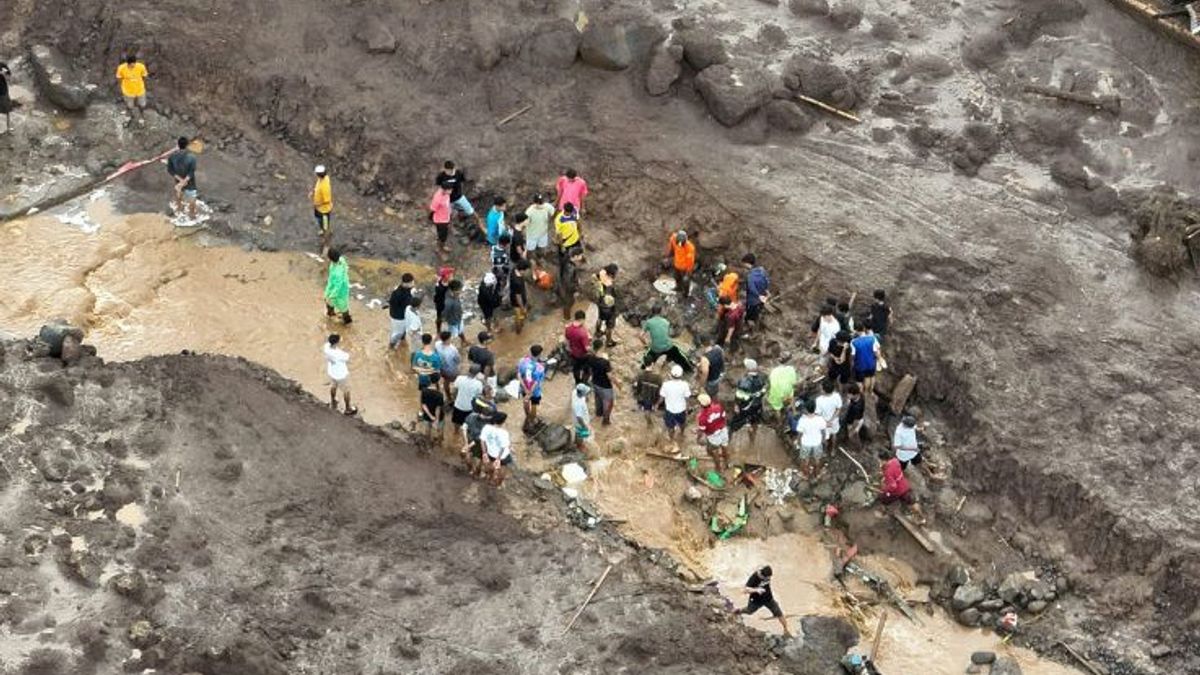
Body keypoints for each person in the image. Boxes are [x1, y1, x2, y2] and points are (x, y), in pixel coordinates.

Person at [736, 565, 791, 637]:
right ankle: (737, 612)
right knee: (749, 611)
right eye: (767, 578)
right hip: (756, 600)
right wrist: (756, 590)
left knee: (779, 613)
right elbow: (745, 590)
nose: (768, 579)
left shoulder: (767, 574)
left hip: (768, 599)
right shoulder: (755, 577)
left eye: (769, 577)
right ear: (762, 575)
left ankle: (786, 630)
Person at [640, 306, 693, 373]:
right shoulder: (666, 322)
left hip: (655, 348)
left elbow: (640, 335)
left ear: (652, 312)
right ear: (660, 312)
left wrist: (646, 344)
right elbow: (668, 335)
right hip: (668, 347)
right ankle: (689, 370)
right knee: (680, 356)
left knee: (647, 359)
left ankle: (643, 370)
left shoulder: (649, 322)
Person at [879, 451, 923, 522]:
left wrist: (885, 490)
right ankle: (921, 518)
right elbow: (896, 471)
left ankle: (883, 514)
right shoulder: (895, 461)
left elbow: (893, 486)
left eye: (880, 460)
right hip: (904, 485)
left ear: (883, 460)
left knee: (883, 499)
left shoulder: (888, 472)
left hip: (897, 491)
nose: (879, 462)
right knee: (912, 502)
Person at [730, 359, 767, 444]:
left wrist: (736, 405)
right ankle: (752, 441)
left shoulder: (744, 381)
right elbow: (763, 391)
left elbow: (739, 396)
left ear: (748, 369)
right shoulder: (761, 378)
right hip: (757, 405)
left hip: (745, 407)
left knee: (733, 426)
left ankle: (727, 443)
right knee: (754, 423)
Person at [436, 161, 479, 228]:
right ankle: (451, 228)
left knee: (470, 210)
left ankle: (479, 223)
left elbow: (464, 181)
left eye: (452, 170)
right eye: (449, 171)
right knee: (448, 216)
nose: (451, 172)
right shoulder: (441, 176)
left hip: (459, 197)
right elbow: (439, 186)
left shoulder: (458, 173)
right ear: (445, 169)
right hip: (448, 200)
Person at [323, 334, 357, 415]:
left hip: (332, 372)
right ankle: (348, 408)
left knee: (333, 386)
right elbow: (348, 358)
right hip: (341, 375)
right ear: (336, 343)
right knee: (346, 391)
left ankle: (333, 400)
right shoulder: (340, 354)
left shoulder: (326, 347)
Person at [696, 393, 730, 472]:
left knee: (715, 452)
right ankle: (727, 463)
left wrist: (698, 438)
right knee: (725, 447)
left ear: (701, 404)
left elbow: (702, 430)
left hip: (713, 436)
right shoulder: (719, 407)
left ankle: (718, 468)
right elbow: (724, 418)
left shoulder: (702, 417)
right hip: (723, 430)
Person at [792, 400, 827, 478]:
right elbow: (823, 431)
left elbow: (799, 434)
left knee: (805, 459)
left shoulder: (802, 420)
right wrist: (823, 440)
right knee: (817, 459)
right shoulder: (820, 419)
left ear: (806, 409)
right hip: (817, 442)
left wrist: (798, 443)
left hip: (806, 443)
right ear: (815, 408)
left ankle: (805, 474)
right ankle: (817, 474)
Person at [166, 136, 198, 219]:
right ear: (187, 145)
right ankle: (192, 216)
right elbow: (191, 171)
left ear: (178, 145)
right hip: (190, 182)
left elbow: (170, 170)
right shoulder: (192, 157)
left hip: (178, 181)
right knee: (192, 199)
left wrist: (180, 181)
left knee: (179, 194)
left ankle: (179, 210)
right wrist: (184, 181)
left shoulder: (172, 157)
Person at [589, 339, 619, 426]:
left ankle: (598, 414)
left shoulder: (590, 358)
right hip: (605, 386)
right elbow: (610, 376)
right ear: (601, 347)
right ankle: (606, 421)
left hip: (595, 382)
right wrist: (618, 385)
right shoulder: (605, 362)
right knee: (609, 403)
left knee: (598, 399)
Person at [658, 365, 692, 442]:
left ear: (671, 374)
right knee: (682, 423)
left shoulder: (666, 385)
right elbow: (687, 398)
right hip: (681, 410)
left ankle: (671, 439)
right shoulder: (685, 385)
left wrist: (657, 405)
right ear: (681, 375)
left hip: (669, 410)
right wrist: (687, 408)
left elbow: (661, 398)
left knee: (670, 427)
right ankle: (682, 433)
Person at [480, 411, 514, 487]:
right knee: (502, 473)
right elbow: (503, 447)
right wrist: (498, 459)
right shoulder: (504, 433)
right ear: (503, 422)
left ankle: (489, 478)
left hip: (490, 453)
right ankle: (498, 484)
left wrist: (484, 453)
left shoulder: (486, 427)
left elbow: (482, 441)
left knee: (490, 468)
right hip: (502, 457)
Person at [517, 345, 546, 427]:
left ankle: (527, 416)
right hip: (534, 391)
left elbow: (519, 375)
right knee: (534, 404)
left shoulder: (522, 361)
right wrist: (530, 393)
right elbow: (536, 382)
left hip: (523, 388)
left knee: (525, 401)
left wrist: (525, 389)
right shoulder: (540, 367)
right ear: (540, 354)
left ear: (530, 352)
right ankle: (532, 420)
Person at [451, 364, 485, 434]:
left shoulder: (459, 378)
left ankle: (456, 432)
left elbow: (454, 391)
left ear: (468, 370)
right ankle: (465, 434)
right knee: (468, 423)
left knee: (456, 421)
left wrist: (455, 399)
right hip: (469, 408)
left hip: (458, 405)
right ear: (478, 373)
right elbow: (478, 397)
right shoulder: (478, 384)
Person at [850, 325, 883, 397]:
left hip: (860, 364)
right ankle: (870, 391)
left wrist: (852, 363)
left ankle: (863, 393)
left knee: (860, 380)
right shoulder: (872, 338)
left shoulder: (854, 342)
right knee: (871, 376)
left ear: (856, 331)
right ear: (864, 329)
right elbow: (876, 351)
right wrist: (879, 359)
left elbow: (853, 355)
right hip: (871, 362)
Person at [115, 54, 148, 125]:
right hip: (128, 91)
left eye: (134, 63)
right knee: (129, 106)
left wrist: (139, 84)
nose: (132, 65)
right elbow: (119, 78)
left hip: (140, 90)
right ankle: (128, 117)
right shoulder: (121, 68)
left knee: (142, 105)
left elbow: (144, 76)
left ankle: (141, 118)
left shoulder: (141, 66)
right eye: (130, 64)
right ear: (127, 63)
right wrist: (123, 87)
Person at [814, 379, 843, 458]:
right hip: (834, 421)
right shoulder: (837, 396)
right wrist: (832, 420)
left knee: (825, 437)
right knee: (834, 434)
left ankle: (825, 451)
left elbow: (817, 414)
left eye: (821, 388)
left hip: (824, 422)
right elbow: (839, 409)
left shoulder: (819, 400)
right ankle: (833, 450)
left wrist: (826, 422)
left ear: (824, 391)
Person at [591, 264, 619, 346]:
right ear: (611, 274)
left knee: (600, 318)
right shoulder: (609, 285)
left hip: (600, 302)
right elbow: (610, 300)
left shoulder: (601, 273)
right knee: (610, 325)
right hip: (608, 307)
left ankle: (597, 332)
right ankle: (609, 341)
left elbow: (594, 278)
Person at [742, 254, 770, 336]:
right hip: (762, 298)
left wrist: (758, 295)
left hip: (753, 300)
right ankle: (754, 322)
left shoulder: (750, 276)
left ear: (747, 263)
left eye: (744, 264)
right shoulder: (762, 270)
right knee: (757, 311)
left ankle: (750, 330)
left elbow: (751, 288)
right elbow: (767, 281)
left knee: (750, 314)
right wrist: (765, 291)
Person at [461, 402, 492, 475]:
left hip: (472, 441)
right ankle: (475, 471)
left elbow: (464, 428)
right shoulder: (487, 425)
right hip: (478, 444)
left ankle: (472, 470)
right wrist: (467, 445)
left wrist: (466, 445)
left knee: (468, 457)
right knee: (475, 460)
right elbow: (477, 439)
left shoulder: (472, 415)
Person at [524, 193, 555, 265]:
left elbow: (554, 213)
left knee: (542, 248)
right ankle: (532, 261)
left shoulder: (547, 206)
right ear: (534, 203)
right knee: (530, 250)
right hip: (532, 235)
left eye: (542, 203)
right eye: (539, 203)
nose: (541, 205)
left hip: (543, 234)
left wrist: (551, 220)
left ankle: (540, 258)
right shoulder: (529, 212)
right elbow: (524, 223)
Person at [323, 249, 352, 324]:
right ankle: (331, 313)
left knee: (342, 305)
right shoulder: (341, 260)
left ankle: (347, 320)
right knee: (328, 300)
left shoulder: (337, 272)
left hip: (340, 290)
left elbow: (338, 286)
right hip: (334, 285)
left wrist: (331, 295)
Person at [387, 273, 415, 349]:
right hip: (398, 317)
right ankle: (392, 345)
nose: (413, 284)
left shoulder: (402, 290)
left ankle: (403, 338)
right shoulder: (398, 294)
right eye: (412, 282)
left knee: (403, 330)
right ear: (406, 283)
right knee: (397, 332)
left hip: (402, 315)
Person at [666, 230, 697, 298]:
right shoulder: (673, 238)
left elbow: (690, 262)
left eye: (681, 243)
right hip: (677, 264)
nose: (679, 244)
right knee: (677, 277)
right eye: (678, 242)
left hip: (685, 268)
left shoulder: (690, 248)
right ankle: (678, 287)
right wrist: (668, 256)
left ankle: (686, 294)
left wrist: (688, 273)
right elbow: (671, 247)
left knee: (685, 281)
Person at [564, 310, 591, 384]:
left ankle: (577, 382)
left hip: (573, 353)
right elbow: (587, 348)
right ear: (582, 319)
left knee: (576, 369)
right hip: (582, 355)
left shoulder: (568, 328)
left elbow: (567, 340)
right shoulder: (583, 333)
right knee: (587, 370)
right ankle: (583, 382)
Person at [313, 165, 334, 256]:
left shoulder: (325, 186)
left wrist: (318, 204)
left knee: (326, 228)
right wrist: (313, 192)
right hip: (318, 209)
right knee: (319, 221)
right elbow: (317, 186)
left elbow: (327, 200)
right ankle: (322, 229)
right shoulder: (321, 179)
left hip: (324, 211)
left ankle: (326, 245)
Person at [435, 330, 461, 403]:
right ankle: (455, 397)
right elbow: (458, 360)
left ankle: (448, 396)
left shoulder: (437, 344)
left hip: (441, 368)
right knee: (457, 382)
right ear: (448, 339)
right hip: (451, 370)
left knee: (446, 382)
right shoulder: (453, 350)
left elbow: (435, 353)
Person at [418, 373, 445, 443]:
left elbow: (423, 404)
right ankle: (439, 443)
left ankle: (427, 441)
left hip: (427, 415)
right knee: (439, 430)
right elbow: (438, 409)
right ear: (438, 381)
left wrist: (430, 415)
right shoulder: (440, 395)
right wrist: (436, 420)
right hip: (438, 417)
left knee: (427, 429)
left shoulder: (424, 390)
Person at [429, 184, 452, 257]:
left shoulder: (446, 194)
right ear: (444, 189)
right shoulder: (438, 198)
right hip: (440, 220)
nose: (451, 191)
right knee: (442, 235)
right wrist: (431, 217)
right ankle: (439, 249)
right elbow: (433, 209)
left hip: (446, 218)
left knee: (444, 235)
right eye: (450, 190)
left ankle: (442, 246)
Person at [509, 260, 530, 334]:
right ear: (522, 270)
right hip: (517, 302)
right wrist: (522, 308)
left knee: (520, 315)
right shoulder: (517, 282)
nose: (526, 272)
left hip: (513, 295)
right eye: (526, 270)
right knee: (519, 316)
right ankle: (518, 330)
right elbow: (518, 297)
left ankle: (520, 324)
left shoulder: (514, 269)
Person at [572, 383, 592, 453]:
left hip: (575, 418)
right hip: (580, 422)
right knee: (581, 434)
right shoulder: (579, 404)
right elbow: (579, 417)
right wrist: (584, 426)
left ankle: (577, 442)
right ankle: (580, 446)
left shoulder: (575, 392)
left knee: (578, 433)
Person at [433, 267, 453, 334]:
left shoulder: (451, 283)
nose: (451, 275)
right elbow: (439, 291)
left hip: (449, 303)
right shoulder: (438, 284)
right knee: (439, 318)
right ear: (446, 276)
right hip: (440, 304)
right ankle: (438, 331)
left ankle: (452, 330)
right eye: (450, 274)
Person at [0, 62, 12, 134]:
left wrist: (4, 74)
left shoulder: (2, 65)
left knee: (7, 110)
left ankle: (8, 128)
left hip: (3, 92)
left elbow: (9, 78)